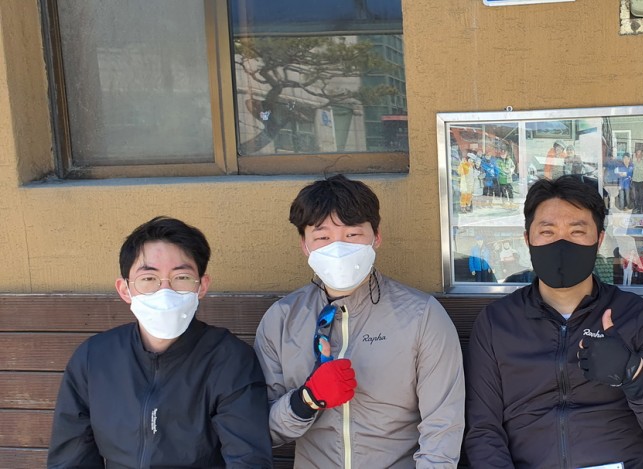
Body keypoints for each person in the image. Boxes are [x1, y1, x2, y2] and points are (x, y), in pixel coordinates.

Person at [465, 175, 643, 468]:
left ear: (599, 240)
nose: (561, 243)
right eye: (547, 232)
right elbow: (483, 431)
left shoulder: (637, 317)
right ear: (527, 239)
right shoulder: (497, 323)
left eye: (577, 231)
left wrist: (633, 373)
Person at [254, 175, 465, 467]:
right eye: (323, 237)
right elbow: (259, 429)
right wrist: (306, 400)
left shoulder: (422, 316)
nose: (338, 247)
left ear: (376, 236)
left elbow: (442, 428)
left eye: (352, 234)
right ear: (304, 245)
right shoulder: (281, 319)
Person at [48, 217, 273, 468]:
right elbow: (71, 459)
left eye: (181, 277)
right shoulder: (94, 358)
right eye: (148, 279)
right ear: (124, 289)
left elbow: (248, 460)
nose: (165, 292)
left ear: (201, 286)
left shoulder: (229, 359)